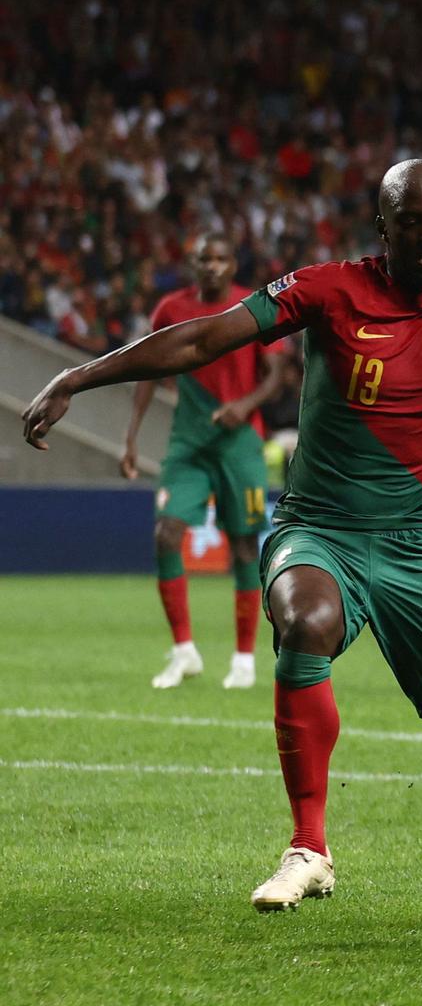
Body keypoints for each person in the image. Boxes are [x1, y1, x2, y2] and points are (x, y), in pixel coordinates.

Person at [23, 161, 422, 928]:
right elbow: (203, 341)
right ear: (381, 227)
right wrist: (77, 377)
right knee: (308, 621)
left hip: (417, 550)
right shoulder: (328, 290)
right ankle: (308, 847)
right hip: (317, 529)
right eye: (411, 220)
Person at [121, 232, 287, 689]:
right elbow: (145, 369)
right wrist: (131, 438)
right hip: (188, 445)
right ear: (193, 265)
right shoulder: (171, 310)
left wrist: (246, 404)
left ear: (233, 264)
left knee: (241, 548)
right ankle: (184, 653)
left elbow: (278, 372)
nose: (212, 266)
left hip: (240, 445)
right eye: (204, 259)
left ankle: (243, 660)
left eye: (220, 258)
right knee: (166, 533)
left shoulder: (252, 307)